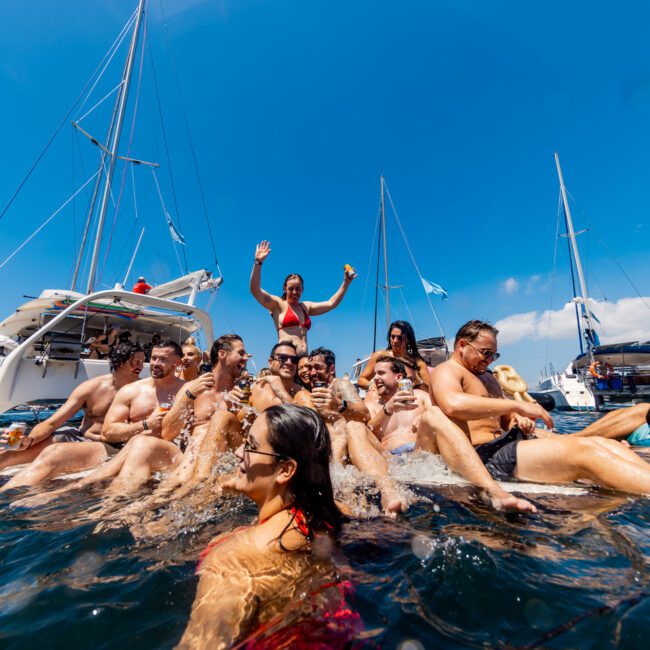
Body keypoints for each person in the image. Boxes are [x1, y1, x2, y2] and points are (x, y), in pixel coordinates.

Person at [416, 320, 650, 512]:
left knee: (601, 443)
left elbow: (501, 420)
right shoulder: (448, 370)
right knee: (587, 454)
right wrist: (517, 407)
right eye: (485, 353)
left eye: (493, 356)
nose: (488, 360)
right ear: (462, 345)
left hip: (509, 442)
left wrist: (518, 420)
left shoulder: (487, 376)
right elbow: (453, 405)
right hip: (484, 456)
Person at [178, 404, 345, 649]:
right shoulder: (330, 515)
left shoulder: (235, 559)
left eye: (251, 447)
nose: (237, 453)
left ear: (285, 469)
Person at [0, 342, 145, 490]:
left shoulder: (142, 391)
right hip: (79, 436)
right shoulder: (92, 388)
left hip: (106, 444)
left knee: (54, 454)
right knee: (7, 453)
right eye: (135, 361)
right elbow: (51, 423)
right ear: (119, 361)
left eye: (142, 361)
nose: (140, 366)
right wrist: (29, 440)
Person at [347, 356, 432, 513]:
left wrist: (426, 416)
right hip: (389, 458)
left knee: (433, 416)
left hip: (421, 451)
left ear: (399, 377)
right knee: (354, 426)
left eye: (381, 373)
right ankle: (389, 493)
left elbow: (440, 414)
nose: (375, 378)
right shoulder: (372, 405)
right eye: (374, 374)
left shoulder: (419, 396)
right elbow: (368, 432)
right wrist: (387, 409)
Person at [249, 240, 356, 354]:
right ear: (285, 288)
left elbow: (331, 304)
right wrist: (258, 262)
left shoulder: (305, 307)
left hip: (303, 360)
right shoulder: (278, 304)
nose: (294, 292)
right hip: (285, 358)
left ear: (302, 290)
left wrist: (346, 282)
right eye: (291, 289)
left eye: (298, 289)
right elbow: (255, 290)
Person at [293, 347, 369, 462]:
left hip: (349, 446)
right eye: (310, 368)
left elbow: (365, 415)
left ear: (332, 369)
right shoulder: (311, 391)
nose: (312, 372)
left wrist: (340, 405)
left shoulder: (340, 385)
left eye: (317, 367)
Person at [357, 320, 431, 394]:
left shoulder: (418, 363)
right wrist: (372, 385)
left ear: (408, 339)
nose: (395, 341)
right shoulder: (380, 356)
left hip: (409, 401)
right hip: (385, 402)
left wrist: (418, 382)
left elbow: (430, 390)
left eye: (400, 338)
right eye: (392, 337)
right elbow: (361, 380)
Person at [249, 342, 303, 413]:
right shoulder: (260, 389)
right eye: (283, 358)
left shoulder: (301, 393)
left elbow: (312, 422)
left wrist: (281, 392)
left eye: (294, 359)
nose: (289, 362)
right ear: (270, 362)